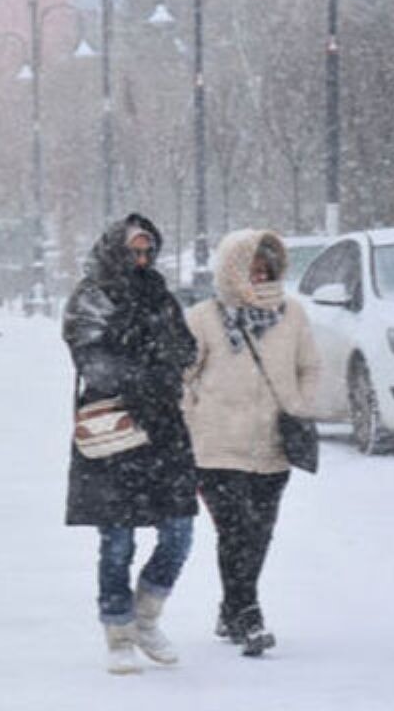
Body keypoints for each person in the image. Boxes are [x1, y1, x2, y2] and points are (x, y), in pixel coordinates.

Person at [62, 213, 199, 674]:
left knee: (179, 531)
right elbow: (92, 360)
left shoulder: (159, 293)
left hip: (164, 427)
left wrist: (163, 364)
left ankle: (146, 617)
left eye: (147, 252)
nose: (141, 260)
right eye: (134, 251)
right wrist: (147, 369)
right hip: (116, 428)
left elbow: (186, 347)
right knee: (117, 538)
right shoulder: (91, 297)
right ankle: (117, 630)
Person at [183, 228, 321, 657]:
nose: (259, 277)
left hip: (273, 443)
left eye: (266, 269)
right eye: (251, 269)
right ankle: (248, 613)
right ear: (231, 270)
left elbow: (310, 367)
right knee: (236, 530)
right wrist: (195, 416)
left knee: (259, 533)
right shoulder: (204, 317)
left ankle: (231, 607)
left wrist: (298, 405)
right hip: (216, 446)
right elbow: (182, 376)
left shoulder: (292, 314)